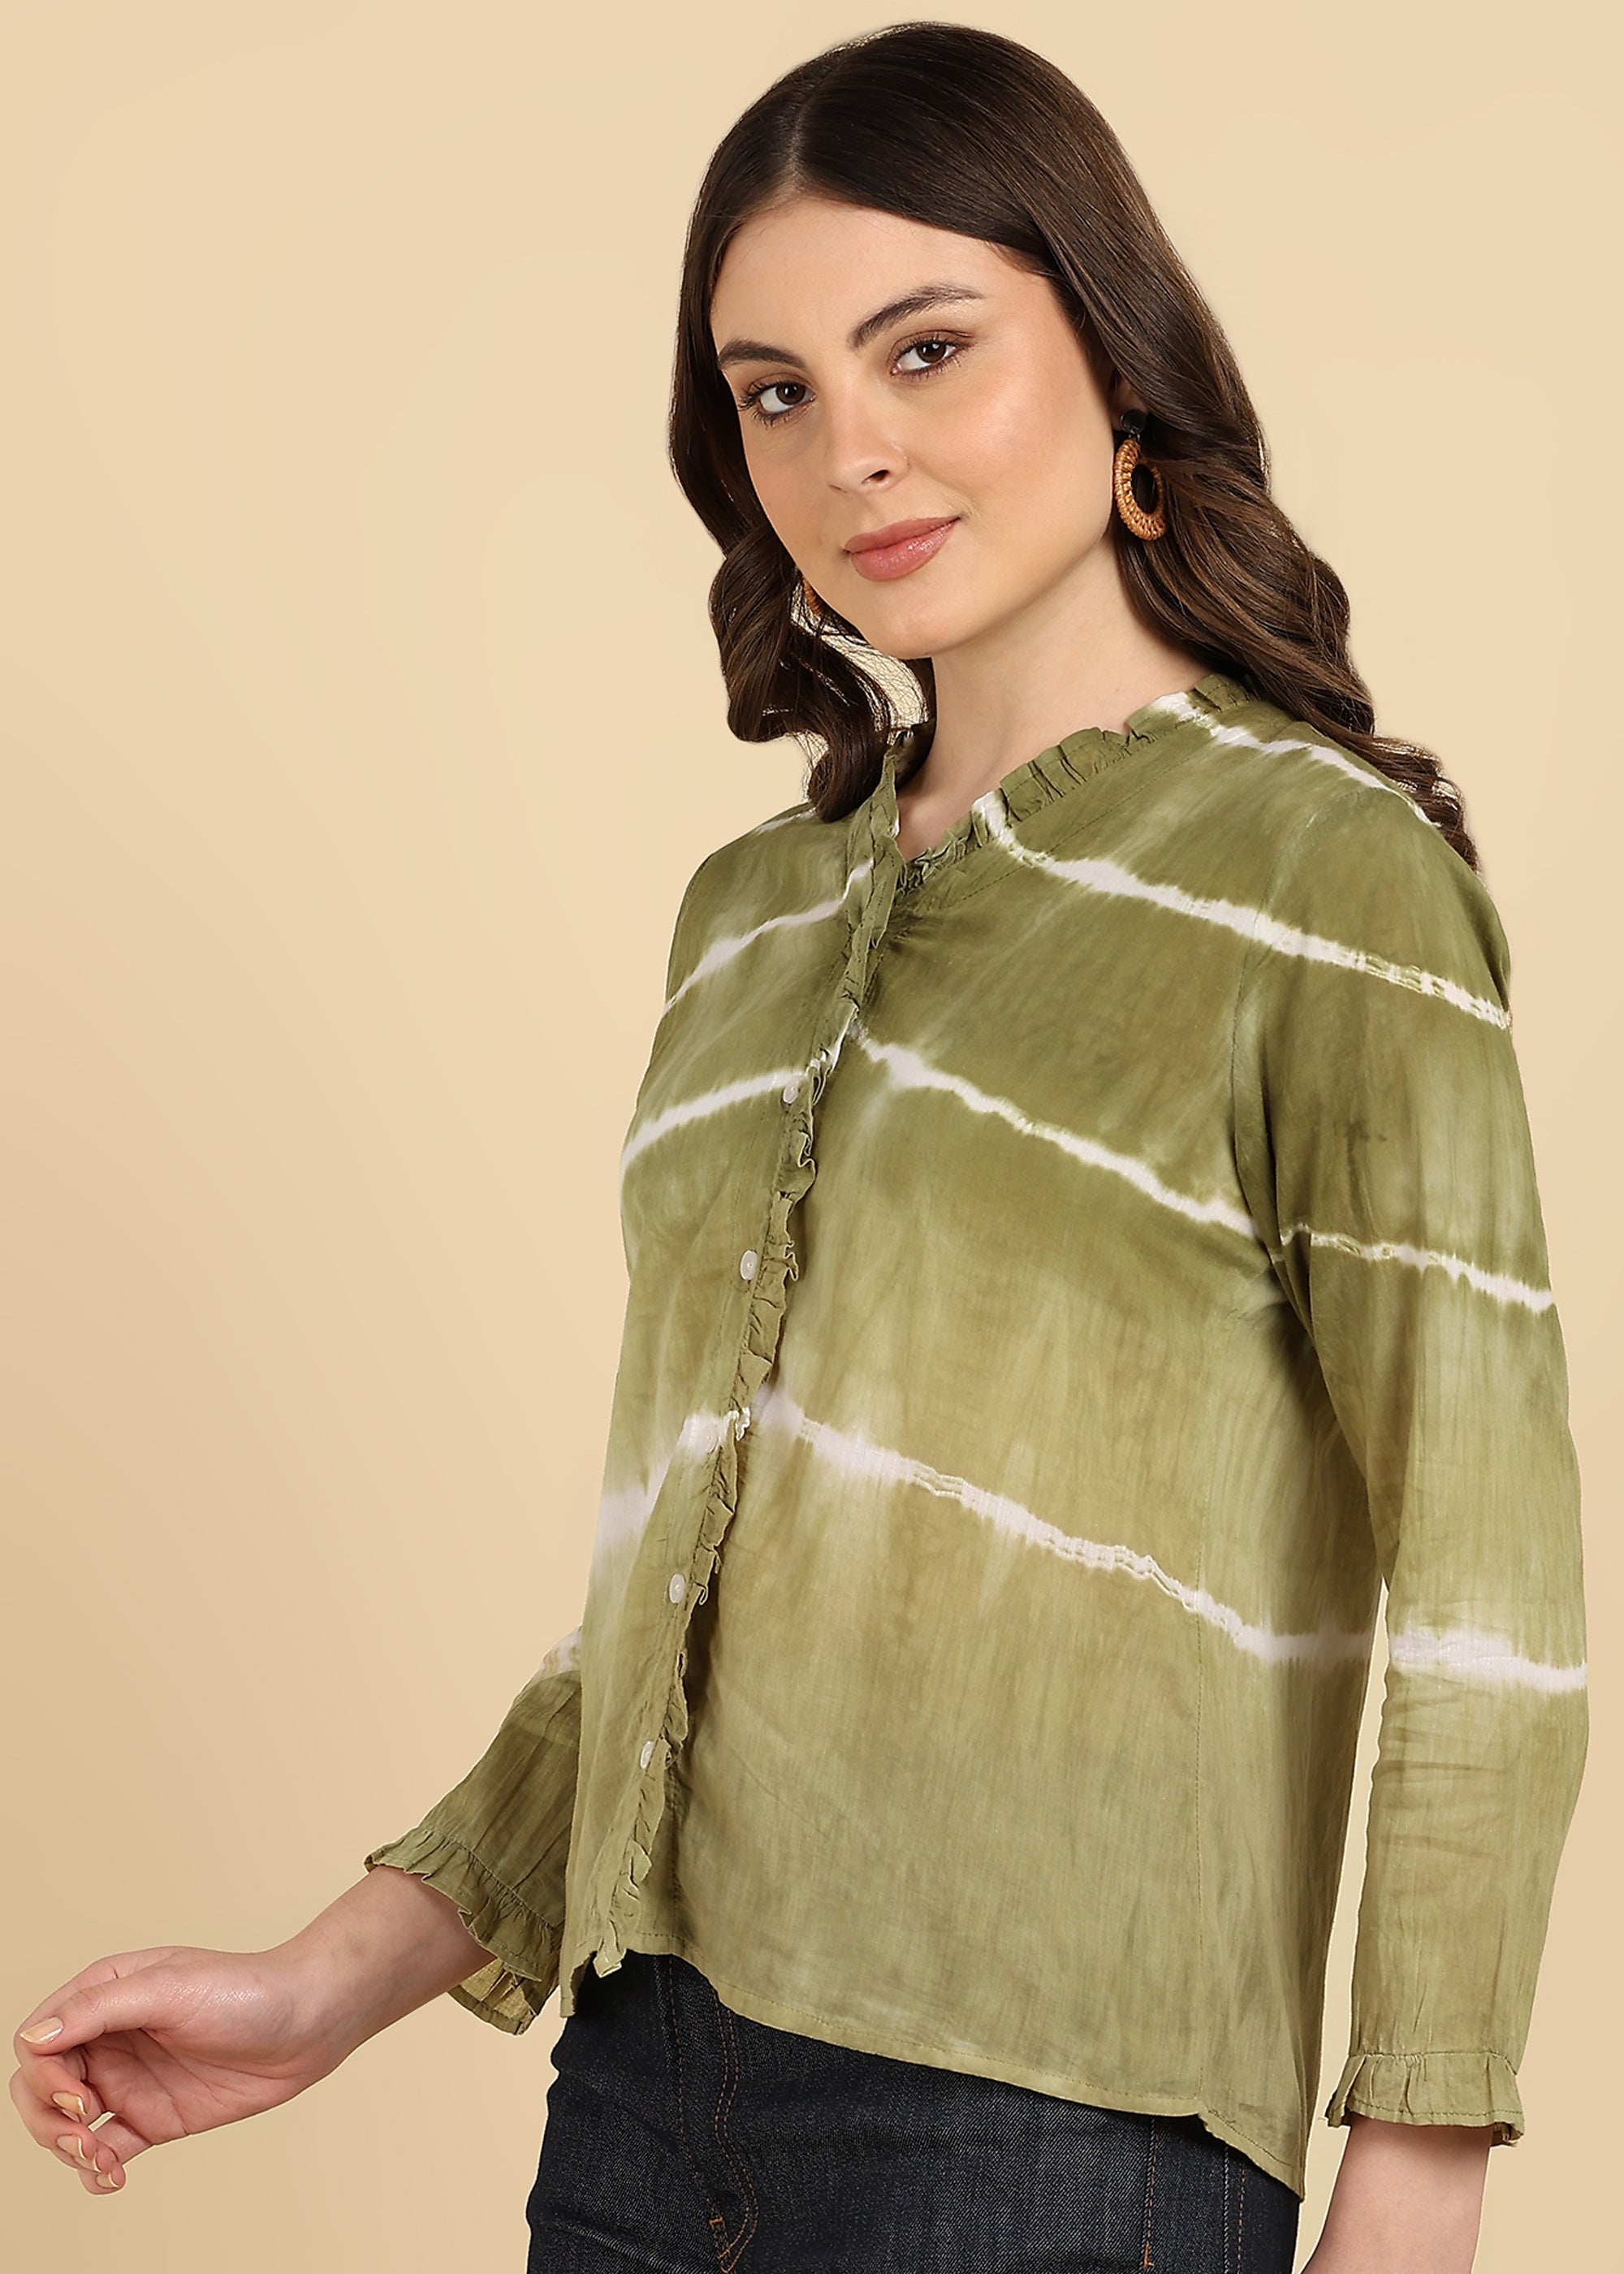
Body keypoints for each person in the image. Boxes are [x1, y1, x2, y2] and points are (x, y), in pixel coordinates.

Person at [10, 23, 1588, 2272]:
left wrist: (1413, 2195)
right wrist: (328, 1983)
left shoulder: (1325, 880)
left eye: (927, 350)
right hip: (644, 2106)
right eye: (773, 393)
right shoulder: (748, 922)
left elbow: (1490, 1581)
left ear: (1117, 356)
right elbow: (677, 1590)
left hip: (1060, 2138)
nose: (852, 452)